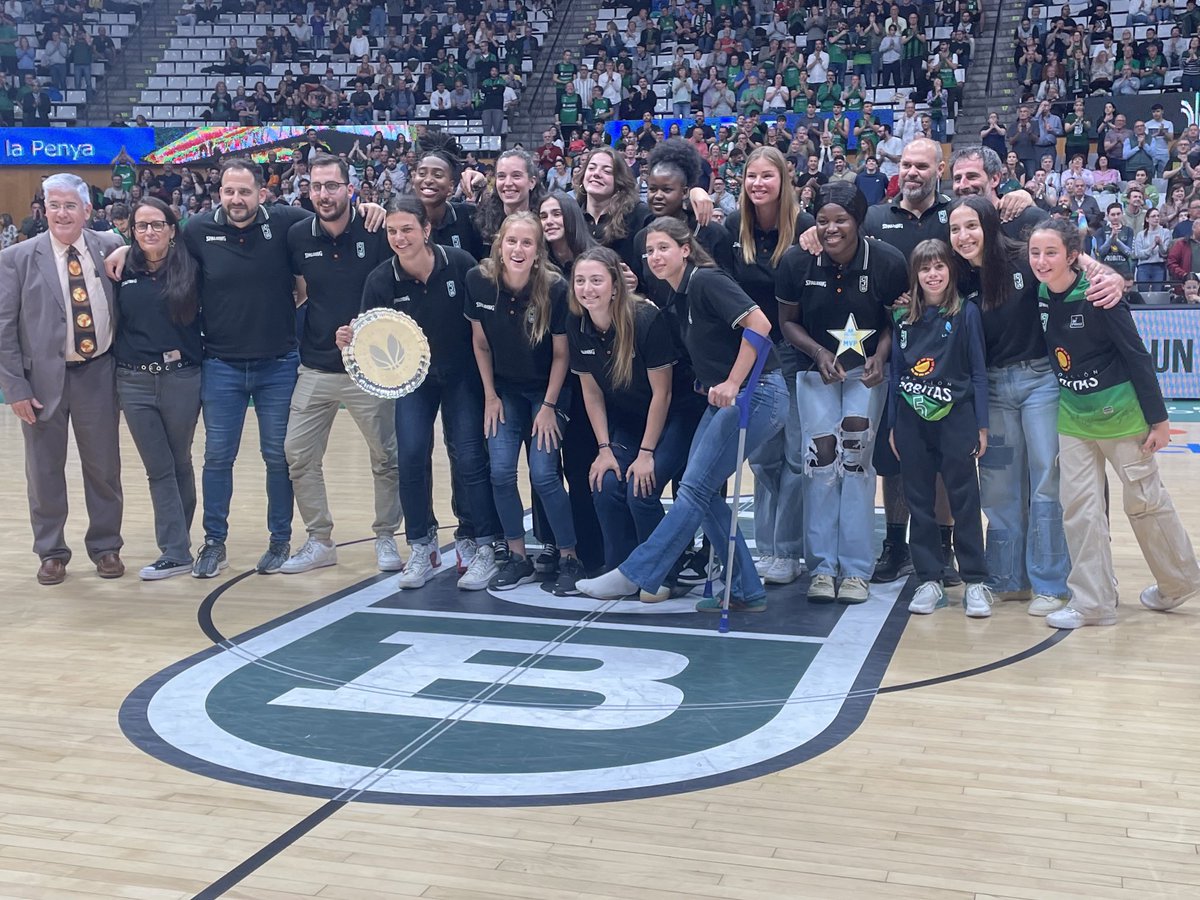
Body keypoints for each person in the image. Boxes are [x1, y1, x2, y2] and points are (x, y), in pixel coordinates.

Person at [576, 216, 787, 612]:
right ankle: (745, 587)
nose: (655, 256)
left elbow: (759, 323)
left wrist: (732, 381)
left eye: (663, 248)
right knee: (700, 492)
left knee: (693, 489)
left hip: (759, 393)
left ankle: (637, 572)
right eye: (649, 251)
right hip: (721, 399)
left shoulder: (706, 280)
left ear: (685, 250)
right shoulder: (675, 293)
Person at [1027, 217, 1200, 628]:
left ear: (1073, 255)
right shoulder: (1040, 293)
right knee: (1080, 510)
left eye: (1051, 252)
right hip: (1074, 417)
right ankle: (1094, 602)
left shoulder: (1101, 294)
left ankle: (1179, 583)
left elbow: (1137, 355)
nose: (1041, 261)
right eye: (1035, 253)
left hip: (1122, 415)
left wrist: (1159, 421)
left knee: (1145, 502)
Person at [349, 195, 501, 590]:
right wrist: (349, 339)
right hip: (413, 381)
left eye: (407, 229)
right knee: (412, 455)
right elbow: (368, 336)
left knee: (469, 456)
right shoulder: (380, 280)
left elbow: (483, 325)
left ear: (426, 229)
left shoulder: (460, 264)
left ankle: (477, 541)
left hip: (463, 374)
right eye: (392, 231)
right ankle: (423, 545)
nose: (399, 238)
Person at [777, 182, 908, 603]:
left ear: (859, 221)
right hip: (815, 373)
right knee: (819, 464)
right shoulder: (797, 261)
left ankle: (855, 569)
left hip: (866, 375)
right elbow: (787, 322)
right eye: (823, 220)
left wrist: (881, 356)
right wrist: (817, 352)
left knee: (856, 464)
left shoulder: (887, 261)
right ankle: (821, 567)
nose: (831, 228)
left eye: (841, 220)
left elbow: (895, 321)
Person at [947, 196, 1071, 615]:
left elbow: (1068, 268)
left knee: (1046, 480)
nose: (963, 236)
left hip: (1040, 380)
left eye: (971, 226)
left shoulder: (1023, 258)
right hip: (994, 389)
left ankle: (1051, 583)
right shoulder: (957, 278)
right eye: (955, 229)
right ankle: (1006, 579)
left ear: (988, 224)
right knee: (999, 487)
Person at [0, 173, 125, 585]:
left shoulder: (110, 245)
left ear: (87, 210)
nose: (61, 213)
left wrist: (127, 246)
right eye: (54, 205)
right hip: (39, 383)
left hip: (98, 373)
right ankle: (51, 551)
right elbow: (3, 329)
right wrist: (15, 388)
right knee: (44, 472)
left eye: (70, 205)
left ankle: (106, 547)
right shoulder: (16, 258)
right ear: (44, 209)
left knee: (104, 468)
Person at [280, 154, 402, 576]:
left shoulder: (375, 227)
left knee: (385, 457)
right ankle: (319, 540)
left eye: (332, 185)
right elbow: (298, 289)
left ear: (350, 189)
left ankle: (386, 536)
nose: (324, 194)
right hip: (316, 366)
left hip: (371, 370)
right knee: (297, 454)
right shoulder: (298, 235)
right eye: (316, 186)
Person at [465, 212, 585, 595]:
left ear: (538, 252)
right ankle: (517, 557)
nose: (518, 249)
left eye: (527, 243)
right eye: (511, 241)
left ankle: (569, 557)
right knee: (501, 472)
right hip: (504, 391)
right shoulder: (478, 281)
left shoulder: (555, 288)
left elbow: (562, 355)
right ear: (499, 245)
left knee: (544, 474)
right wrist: (489, 396)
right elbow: (481, 344)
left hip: (547, 391)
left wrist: (549, 406)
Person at [568, 246, 704, 576]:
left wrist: (645, 454)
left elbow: (663, 393)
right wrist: (604, 449)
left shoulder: (644, 319)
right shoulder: (577, 324)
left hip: (677, 414)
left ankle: (661, 573)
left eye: (596, 280)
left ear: (615, 286)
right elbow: (592, 393)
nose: (587, 289)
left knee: (641, 489)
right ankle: (621, 571)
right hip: (630, 418)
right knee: (605, 483)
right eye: (580, 281)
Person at [724, 146, 815, 586]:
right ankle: (768, 550)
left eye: (767, 176)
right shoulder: (732, 227)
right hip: (752, 353)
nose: (758, 184)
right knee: (762, 458)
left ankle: (790, 551)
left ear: (784, 180)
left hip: (793, 352)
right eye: (751, 176)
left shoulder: (805, 226)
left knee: (796, 456)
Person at [888, 239, 992, 617]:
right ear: (915, 275)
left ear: (950, 270)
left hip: (956, 416)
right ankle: (929, 579)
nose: (932, 275)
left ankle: (975, 580)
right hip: (911, 419)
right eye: (924, 268)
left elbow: (978, 371)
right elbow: (896, 373)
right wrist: (893, 425)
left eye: (939, 267)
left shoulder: (967, 312)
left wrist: (981, 424)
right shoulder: (902, 317)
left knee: (965, 499)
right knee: (919, 500)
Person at [112, 198, 202, 580]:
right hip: (133, 381)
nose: (149, 231)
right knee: (158, 467)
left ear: (171, 228)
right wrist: (120, 250)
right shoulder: (120, 269)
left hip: (181, 378)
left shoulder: (192, 267)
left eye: (157, 224)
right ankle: (176, 550)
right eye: (141, 225)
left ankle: (178, 546)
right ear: (132, 231)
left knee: (179, 461)